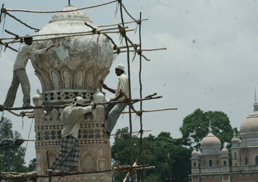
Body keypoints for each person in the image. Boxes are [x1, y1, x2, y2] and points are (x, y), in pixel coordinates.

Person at [3, 34, 55, 108]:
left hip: (16, 68)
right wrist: (48, 48)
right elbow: (37, 51)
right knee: (26, 85)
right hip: (20, 68)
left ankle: (7, 105)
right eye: (30, 40)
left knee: (13, 87)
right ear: (26, 40)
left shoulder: (22, 47)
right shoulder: (26, 47)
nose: (32, 41)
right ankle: (26, 103)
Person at [51, 96, 95, 172]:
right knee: (65, 152)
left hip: (70, 134)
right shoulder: (76, 110)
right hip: (69, 134)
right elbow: (89, 109)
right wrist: (93, 103)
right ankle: (53, 167)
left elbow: (61, 118)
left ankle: (73, 167)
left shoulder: (66, 109)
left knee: (76, 150)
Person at [101, 63, 129, 136]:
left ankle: (108, 132)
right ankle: (103, 127)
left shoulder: (122, 78)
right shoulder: (121, 78)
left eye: (116, 70)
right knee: (105, 111)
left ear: (120, 70)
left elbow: (122, 92)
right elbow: (117, 92)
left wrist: (115, 99)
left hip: (121, 101)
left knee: (112, 114)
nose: (115, 72)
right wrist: (107, 88)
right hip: (118, 100)